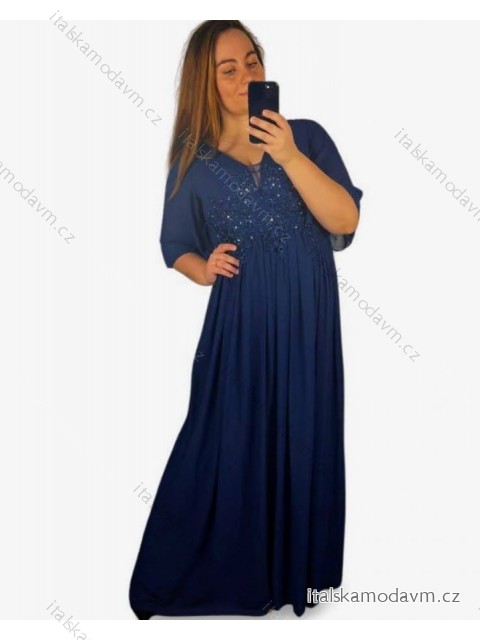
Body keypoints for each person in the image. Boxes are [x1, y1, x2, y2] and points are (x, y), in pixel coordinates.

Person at [129, 20, 363, 619]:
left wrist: (287, 154)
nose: (245, 77)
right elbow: (174, 245)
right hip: (241, 325)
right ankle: (191, 573)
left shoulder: (306, 137)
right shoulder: (195, 164)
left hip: (309, 322)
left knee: (304, 433)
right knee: (223, 439)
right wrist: (204, 269)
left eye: (252, 61)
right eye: (228, 69)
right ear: (203, 82)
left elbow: (344, 221)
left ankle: (294, 575)